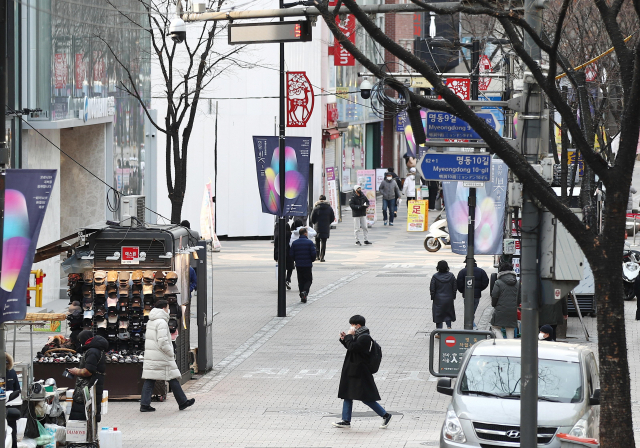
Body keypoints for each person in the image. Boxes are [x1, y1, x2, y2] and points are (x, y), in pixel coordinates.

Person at [333, 315, 392, 430]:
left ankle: (386, 415)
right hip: (353, 370)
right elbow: (352, 348)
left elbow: (354, 348)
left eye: (352, 325)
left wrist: (349, 336)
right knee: (347, 395)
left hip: (359, 372)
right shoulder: (358, 335)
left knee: (366, 397)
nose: (351, 327)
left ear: (358, 325)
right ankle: (346, 420)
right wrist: (344, 339)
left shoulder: (365, 337)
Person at [140, 300, 195, 412]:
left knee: (151, 379)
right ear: (164, 308)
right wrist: (170, 352)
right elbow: (163, 342)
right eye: (168, 307)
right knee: (172, 377)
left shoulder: (152, 320)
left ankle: (145, 404)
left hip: (153, 355)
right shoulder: (161, 322)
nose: (169, 310)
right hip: (162, 356)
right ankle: (182, 402)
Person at [68, 330, 108, 422]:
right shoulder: (95, 350)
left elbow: (88, 372)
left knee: (83, 417)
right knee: (91, 415)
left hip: (87, 387)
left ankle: (84, 436)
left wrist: (76, 371)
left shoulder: (92, 351)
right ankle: (89, 435)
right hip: (92, 386)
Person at [456, 259, 490, 328]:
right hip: (477, 295)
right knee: (472, 311)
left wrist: (463, 291)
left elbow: (459, 284)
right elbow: (485, 282)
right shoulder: (481, 271)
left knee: (469, 312)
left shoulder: (462, 272)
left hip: (467, 295)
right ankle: (472, 326)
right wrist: (479, 289)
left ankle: (473, 326)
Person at [490, 263, 520, 339]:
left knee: (495, 327)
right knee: (510, 329)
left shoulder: (498, 282)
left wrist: (494, 305)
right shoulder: (517, 283)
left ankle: (501, 342)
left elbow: (494, 295)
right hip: (512, 310)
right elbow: (519, 297)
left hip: (500, 309)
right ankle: (509, 346)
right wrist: (515, 305)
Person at [289, 227, 316, 303]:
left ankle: (302, 294)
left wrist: (296, 260)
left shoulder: (295, 243)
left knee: (300, 280)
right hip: (307, 265)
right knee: (308, 280)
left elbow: (291, 254)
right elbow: (313, 254)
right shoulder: (310, 242)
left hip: (299, 265)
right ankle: (305, 292)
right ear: (305, 233)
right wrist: (312, 260)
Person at [430, 260, 457, 336]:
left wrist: (433, 297)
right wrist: (453, 296)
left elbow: (432, 288)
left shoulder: (435, 276)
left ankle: (439, 333)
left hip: (438, 299)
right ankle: (449, 327)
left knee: (438, 315)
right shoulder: (451, 276)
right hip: (449, 298)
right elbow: (455, 287)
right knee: (448, 313)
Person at [310, 195, 335, 262]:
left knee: (317, 241)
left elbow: (312, 218)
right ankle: (322, 257)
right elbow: (332, 218)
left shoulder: (316, 208)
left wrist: (315, 223)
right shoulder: (329, 208)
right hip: (325, 227)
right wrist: (328, 223)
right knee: (324, 242)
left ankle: (317, 256)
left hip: (317, 227)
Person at [6, 353, 21, 448]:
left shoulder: (12, 372)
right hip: (10, 407)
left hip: (9, 407)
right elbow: (17, 390)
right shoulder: (11, 372)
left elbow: (17, 390)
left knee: (12, 432)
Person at [274, 221, 295, 290]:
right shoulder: (290, 235)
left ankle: (283, 280)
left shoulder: (278, 236)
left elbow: (276, 246)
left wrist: (275, 256)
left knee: (282, 268)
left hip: (280, 253)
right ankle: (288, 279)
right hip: (289, 253)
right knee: (290, 267)